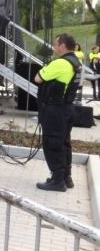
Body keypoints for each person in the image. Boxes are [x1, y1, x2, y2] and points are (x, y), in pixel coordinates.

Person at [34, 33, 80, 192]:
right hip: (67, 108)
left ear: (63, 46)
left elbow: (38, 78)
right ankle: (66, 177)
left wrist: (46, 68)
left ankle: (57, 181)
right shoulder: (76, 62)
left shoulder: (60, 63)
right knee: (64, 143)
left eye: (56, 44)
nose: (54, 47)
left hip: (55, 110)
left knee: (52, 143)